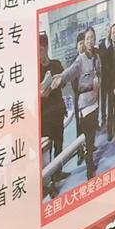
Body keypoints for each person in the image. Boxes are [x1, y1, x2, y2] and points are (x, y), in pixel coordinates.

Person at [67, 28, 103, 177]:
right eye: (86, 39)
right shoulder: (79, 60)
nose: (88, 41)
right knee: (86, 135)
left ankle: (90, 160)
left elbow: (99, 73)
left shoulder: (96, 57)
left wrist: (97, 82)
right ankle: (88, 166)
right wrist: (60, 79)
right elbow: (70, 75)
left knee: (91, 134)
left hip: (94, 100)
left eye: (91, 38)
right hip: (83, 103)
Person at [39, 33, 68, 164]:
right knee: (46, 149)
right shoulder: (36, 70)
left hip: (58, 112)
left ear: (46, 48)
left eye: (41, 50)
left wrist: (59, 81)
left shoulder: (56, 65)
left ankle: (58, 171)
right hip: (45, 117)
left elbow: (64, 82)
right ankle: (50, 173)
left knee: (59, 143)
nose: (39, 54)